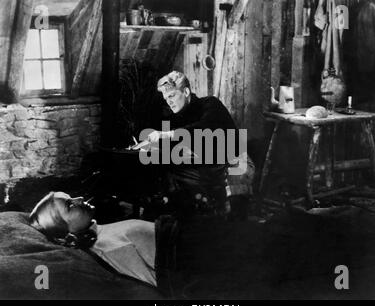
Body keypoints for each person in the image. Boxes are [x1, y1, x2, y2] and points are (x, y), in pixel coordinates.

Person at [29, 191, 179, 294]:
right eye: (69, 205)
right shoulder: (108, 249)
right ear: (66, 235)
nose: (80, 198)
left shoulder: (103, 235)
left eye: (71, 197)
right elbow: (171, 277)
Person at [145, 71, 242, 215]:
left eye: (171, 96)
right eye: (166, 99)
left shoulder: (210, 103)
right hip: (206, 163)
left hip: (231, 160)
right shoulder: (178, 116)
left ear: (186, 91)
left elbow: (204, 127)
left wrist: (167, 135)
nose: (169, 102)